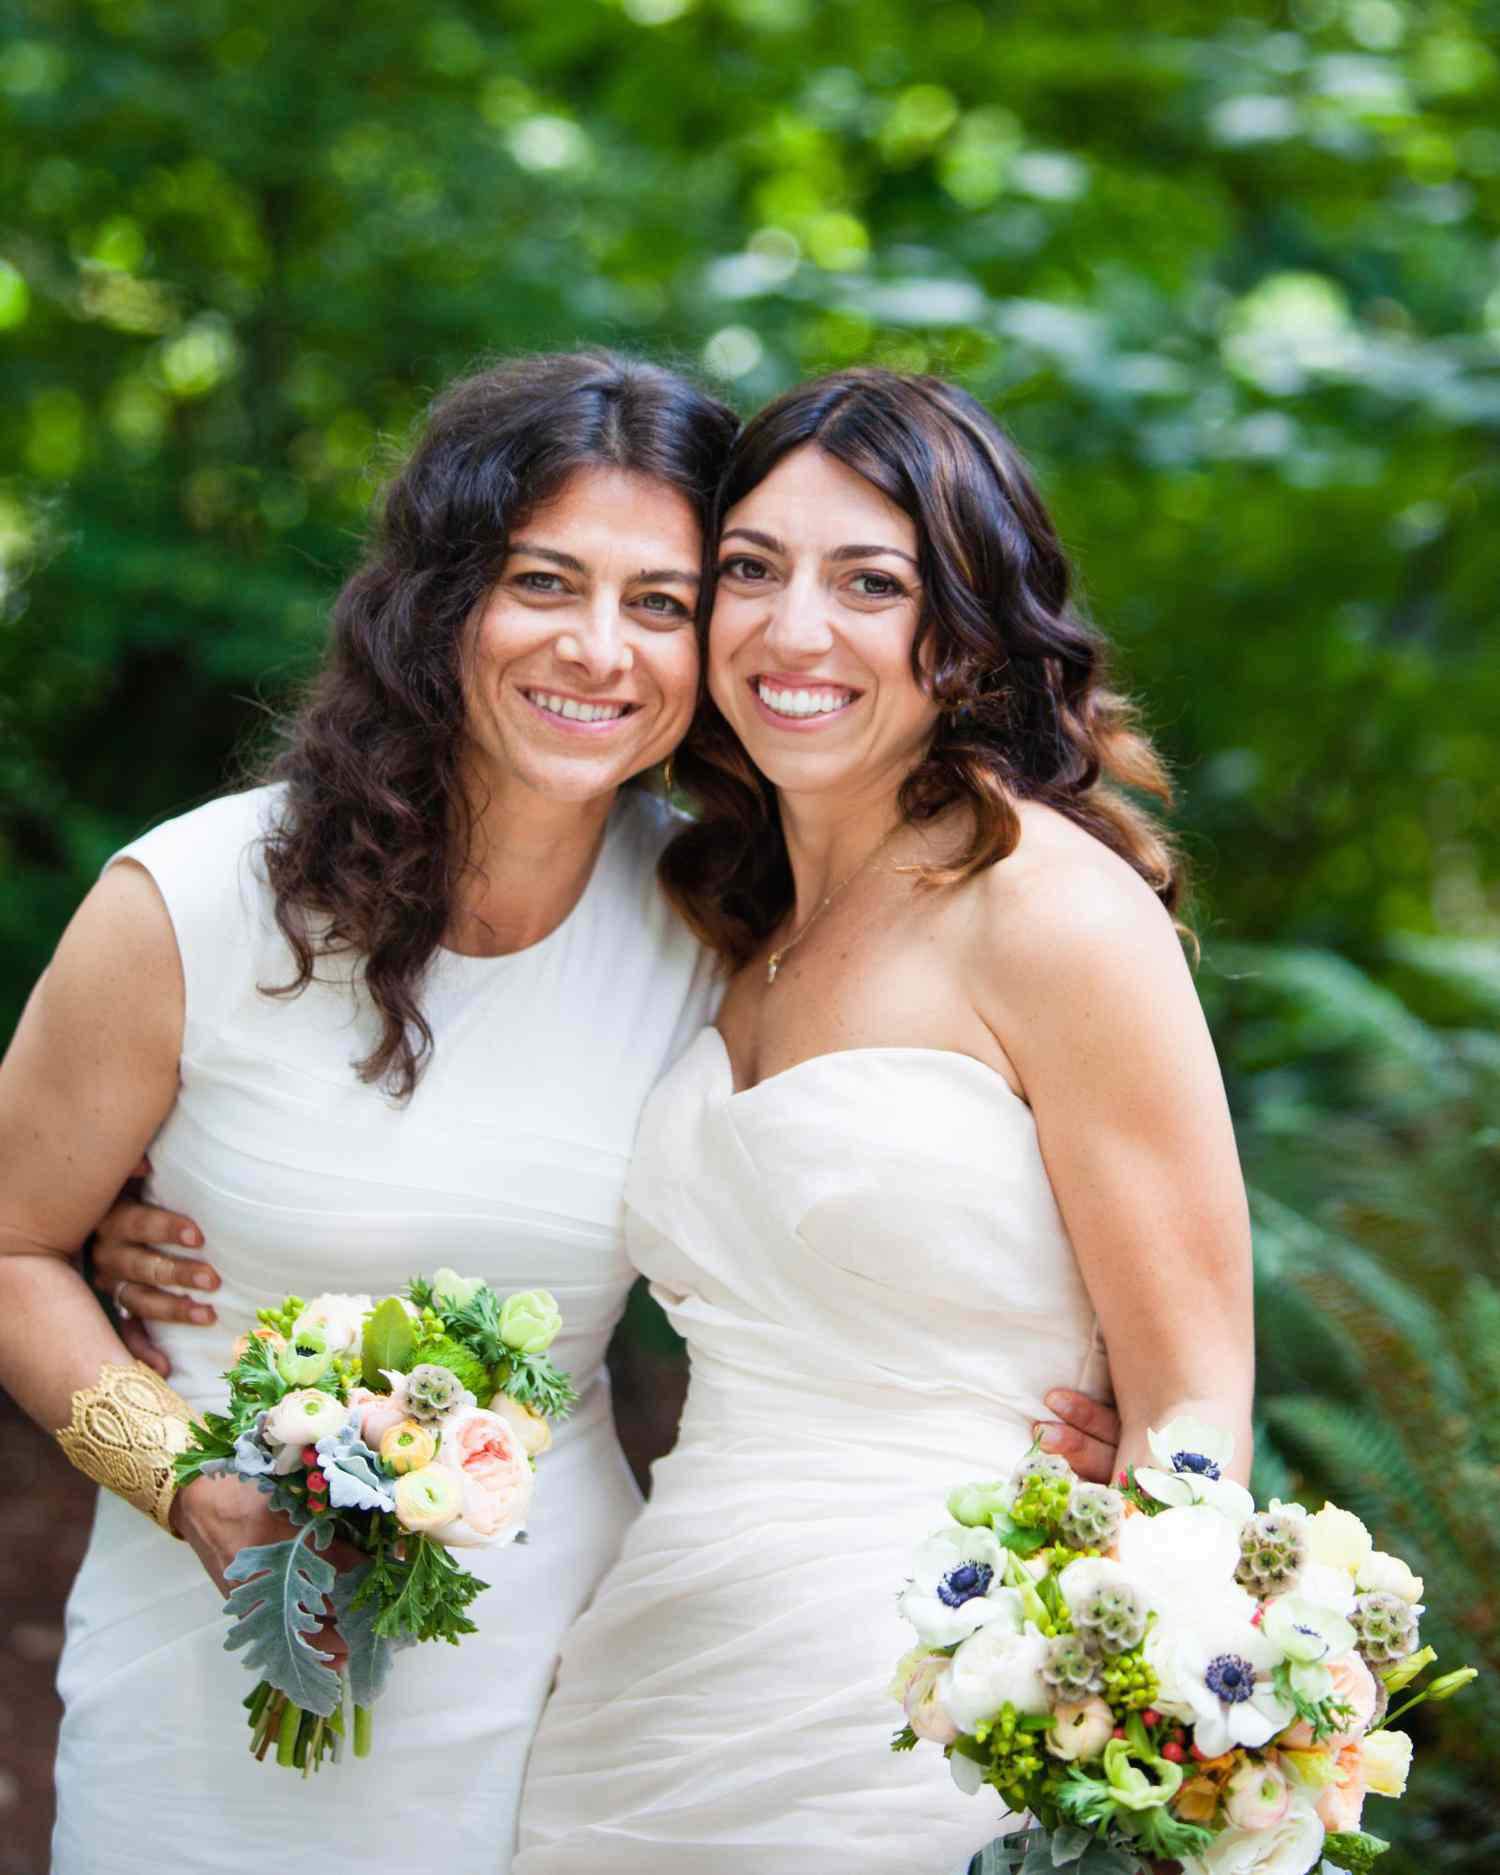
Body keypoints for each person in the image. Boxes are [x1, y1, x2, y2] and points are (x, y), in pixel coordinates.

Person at [0, 350, 740, 1872]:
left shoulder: (716, 929)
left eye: (660, 602)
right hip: (199, 1660)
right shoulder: (193, 900)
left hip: (551, 1691)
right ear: (444, 597)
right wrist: (191, 1484)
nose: (600, 650)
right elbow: (10, 1248)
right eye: (545, 581)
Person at [511, 370, 1255, 1873]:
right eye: (750, 571)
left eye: (871, 582)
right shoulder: (715, 919)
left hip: (946, 1720)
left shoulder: (1047, 908)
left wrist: (1111, 1743)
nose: (795, 632)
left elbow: (1196, 1411)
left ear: (966, 627)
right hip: (654, 1689)